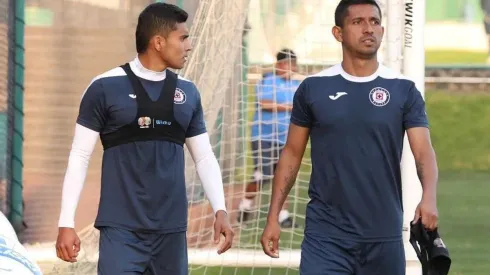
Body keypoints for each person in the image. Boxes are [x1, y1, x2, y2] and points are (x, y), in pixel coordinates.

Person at [260, 0, 440, 274]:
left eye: (374, 21)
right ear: (338, 33)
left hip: (384, 235)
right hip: (326, 237)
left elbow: (423, 151)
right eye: (358, 22)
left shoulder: (403, 89)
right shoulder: (313, 88)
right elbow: (292, 153)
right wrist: (273, 216)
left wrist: (429, 197)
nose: (369, 29)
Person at [55, 3, 233, 275]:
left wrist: (220, 209)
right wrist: (66, 222)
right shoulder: (103, 87)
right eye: (183, 38)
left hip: (171, 232)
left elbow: (205, 157)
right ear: (158, 42)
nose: (188, 46)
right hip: (121, 231)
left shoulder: (188, 93)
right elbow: (79, 156)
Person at [237, 49, 300, 229]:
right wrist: (288, 107)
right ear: (279, 65)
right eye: (287, 64)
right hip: (263, 136)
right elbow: (264, 103)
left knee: (284, 176)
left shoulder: (295, 85)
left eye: (293, 65)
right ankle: (245, 207)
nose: (290, 68)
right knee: (262, 173)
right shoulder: (268, 81)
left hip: (285, 138)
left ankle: (283, 216)